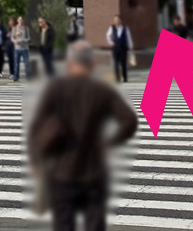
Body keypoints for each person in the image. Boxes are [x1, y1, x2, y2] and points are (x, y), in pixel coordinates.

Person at [28, 41, 138, 231]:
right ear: (92, 64)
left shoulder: (57, 89)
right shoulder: (102, 91)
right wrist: (110, 142)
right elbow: (129, 120)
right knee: (95, 225)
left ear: (69, 64)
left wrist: (35, 161)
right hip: (93, 173)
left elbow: (36, 127)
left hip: (62, 172)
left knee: (63, 225)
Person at [106, 17, 131, 83]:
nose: (116, 21)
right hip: (115, 48)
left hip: (123, 47)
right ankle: (117, 78)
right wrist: (111, 43)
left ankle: (125, 78)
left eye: (117, 20)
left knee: (123, 63)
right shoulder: (112, 28)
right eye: (115, 20)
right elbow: (108, 35)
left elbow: (129, 37)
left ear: (120, 20)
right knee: (116, 63)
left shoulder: (125, 28)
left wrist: (130, 46)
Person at [11, 17, 31, 82]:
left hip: (25, 48)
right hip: (17, 48)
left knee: (27, 63)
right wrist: (15, 41)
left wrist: (24, 40)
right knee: (16, 64)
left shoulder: (26, 28)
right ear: (17, 21)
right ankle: (16, 77)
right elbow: (12, 38)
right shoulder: (15, 28)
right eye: (19, 20)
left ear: (23, 21)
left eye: (22, 20)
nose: (21, 21)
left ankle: (28, 77)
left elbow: (29, 38)